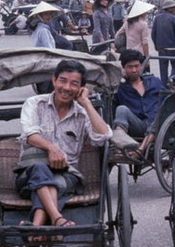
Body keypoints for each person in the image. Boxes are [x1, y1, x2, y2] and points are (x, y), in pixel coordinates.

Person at [15, 59, 112, 237]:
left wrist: (87, 103)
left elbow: (103, 137)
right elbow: (30, 133)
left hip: (67, 176)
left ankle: (36, 227)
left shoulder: (82, 114)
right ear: (54, 80)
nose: (67, 87)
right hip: (28, 175)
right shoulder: (35, 103)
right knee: (39, 169)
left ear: (81, 88)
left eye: (74, 84)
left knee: (50, 182)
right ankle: (58, 220)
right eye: (63, 80)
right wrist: (52, 148)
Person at [111, 49, 168, 159]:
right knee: (122, 109)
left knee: (161, 115)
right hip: (137, 125)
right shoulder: (120, 87)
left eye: (137, 66)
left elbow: (169, 98)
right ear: (123, 68)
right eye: (130, 67)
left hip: (157, 125)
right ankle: (119, 145)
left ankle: (140, 150)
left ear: (141, 66)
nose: (134, 70)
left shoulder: (154, 81)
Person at [152, 0, 175, 81]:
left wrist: (156, 44)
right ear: (169, 8)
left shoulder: (157, 18)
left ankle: (164, 86)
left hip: (161, 48)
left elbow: (153, 33)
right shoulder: (173, 18)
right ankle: (172, 79)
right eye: (174, 7)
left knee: (163, 68)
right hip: (172, 47)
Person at [120, 0, 154, 73]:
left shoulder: (127, 23)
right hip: (140, 54)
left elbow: (118, 34)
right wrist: (147, 57)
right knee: (142, 74)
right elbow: (145, 43)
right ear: (141, 14)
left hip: (128, 52)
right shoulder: (143, 24)